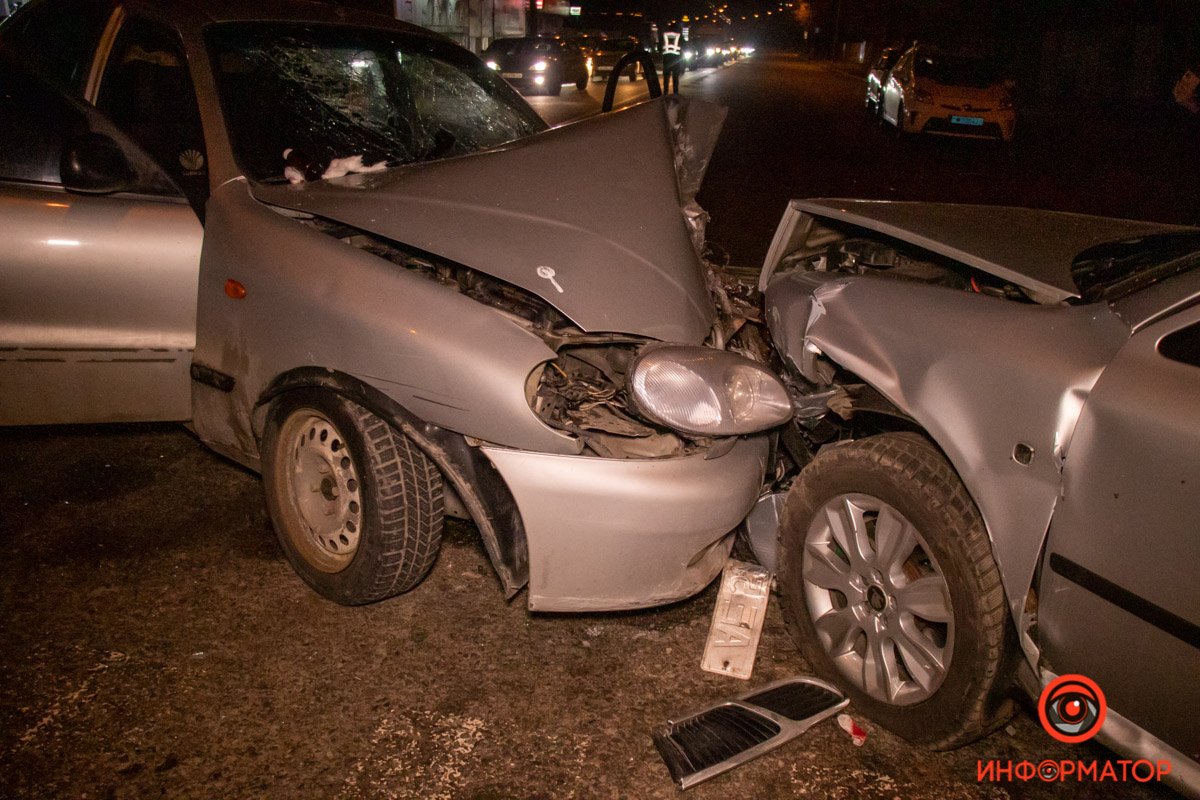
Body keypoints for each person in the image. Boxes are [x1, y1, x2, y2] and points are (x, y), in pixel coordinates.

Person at [661, 28, 683, 94]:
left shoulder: (664, 35)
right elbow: (684, 46)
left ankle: (665, 94)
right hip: (676, 60)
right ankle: (675, 94)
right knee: (675, 79)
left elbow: (659, 47)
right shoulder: (679, 36)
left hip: (666, 60)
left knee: (666, 79)